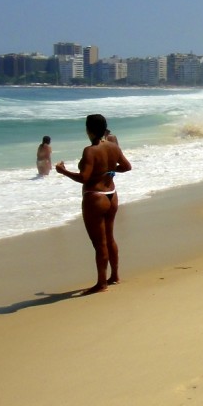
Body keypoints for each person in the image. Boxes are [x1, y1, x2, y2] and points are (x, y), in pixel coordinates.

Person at [55, 114, 132, 295]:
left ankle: (101, 283)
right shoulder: (113, 146)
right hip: (111, 195)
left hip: (95, 197)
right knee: (110, 238)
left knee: (99, 243)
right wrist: (110, 170)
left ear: (89, 130)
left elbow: (84, 178)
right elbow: (127, 166)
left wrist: (63, 171)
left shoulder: (90, 150)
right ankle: (115, 276)